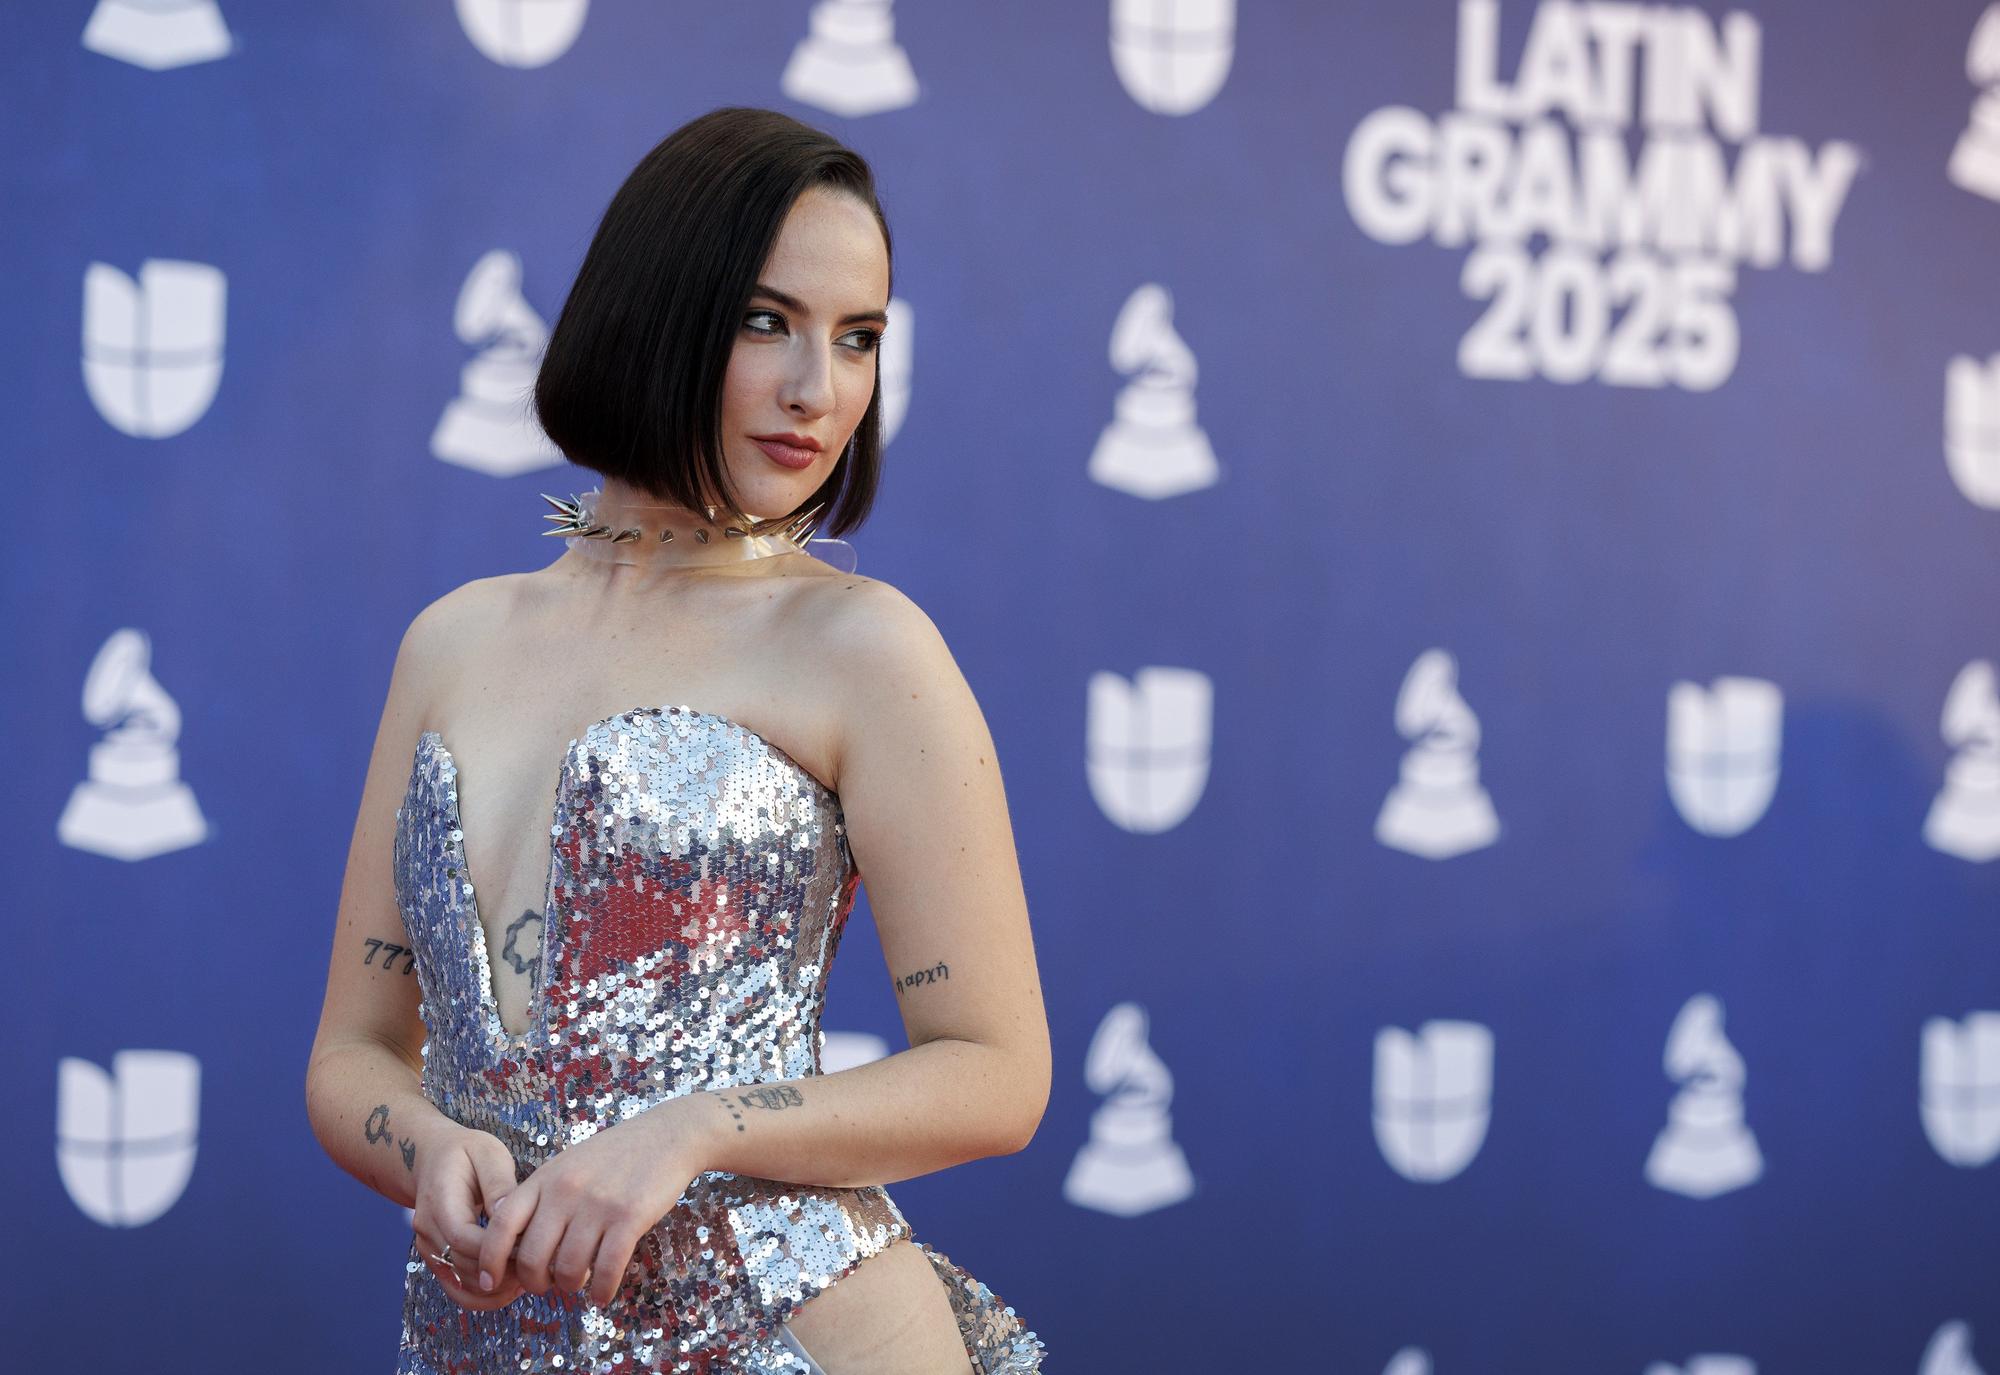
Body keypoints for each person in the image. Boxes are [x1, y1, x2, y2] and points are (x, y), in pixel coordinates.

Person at [304, 106, 1052, 1375]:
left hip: (797, 1334)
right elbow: (354, 1050)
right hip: (486, 1339)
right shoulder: (453, 643)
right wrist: (427, 1149)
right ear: (654, 311)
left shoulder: (863, 647)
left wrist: (693, 1128)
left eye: (858, 337)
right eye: (768, 321)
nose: (822, 389)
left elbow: (997, 1073)